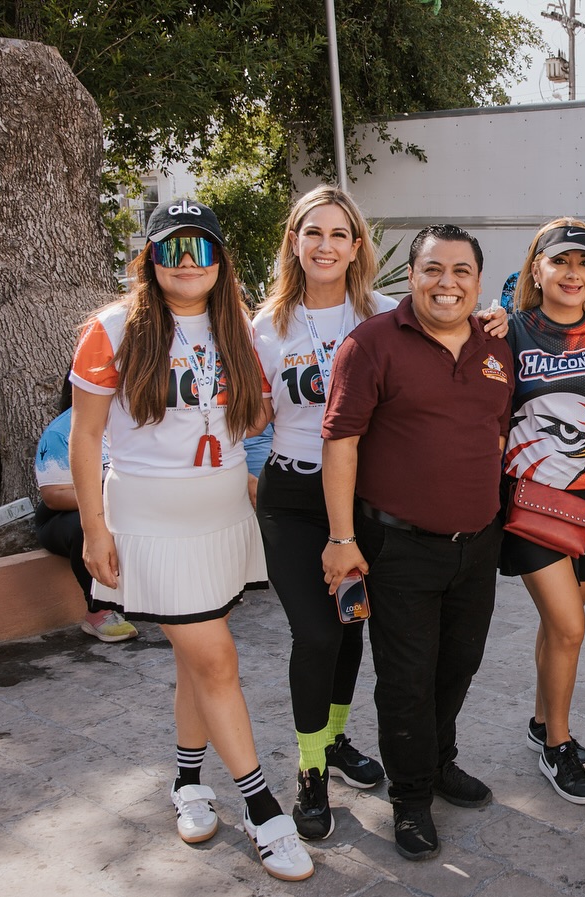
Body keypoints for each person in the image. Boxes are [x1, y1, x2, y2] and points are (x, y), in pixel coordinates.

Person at [70, 200, 313, 881]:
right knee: (217, 659)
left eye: (200, 248)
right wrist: (93, 526)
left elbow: (257, 411)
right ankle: (262, 809)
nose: (186, 262)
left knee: (197, 662)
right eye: (171, 248)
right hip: (151, 523)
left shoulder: (237, 327)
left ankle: (187, 782)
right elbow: (86, 437)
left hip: (223, 518)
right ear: (149, 258)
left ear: (219, 260)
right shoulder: (111, 329)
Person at [320, 224, 514, 861]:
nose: (446, 283)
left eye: (461, 271)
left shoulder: (496, 347)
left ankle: (437, 761)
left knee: (459, 664)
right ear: (411, 276)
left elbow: (496, 433)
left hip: (477, 544)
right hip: (398, 547)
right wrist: (342, 537)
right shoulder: (371, 343)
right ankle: (409, 798)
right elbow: (340, 442)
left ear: (478, 282)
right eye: (433, 269)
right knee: (407, 680)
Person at [252, 185, 394, 841]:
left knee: (348, 625)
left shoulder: (386, 316)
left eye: (339, 234)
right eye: (313, 232)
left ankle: (333, 741)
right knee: (315, 633)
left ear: (356, 246)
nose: (326, 245)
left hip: (363, 498)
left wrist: (498, 320)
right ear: (294, 241)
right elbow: (249, 415)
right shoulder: (265, 327)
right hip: (291, 496)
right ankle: (310, 771)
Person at [501, 219, 585, 805]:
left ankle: (540, 720)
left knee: (559, 626)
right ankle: (558, 744)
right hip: (531, 505)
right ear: (537, 268)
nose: (573, 274)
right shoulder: (508, 332)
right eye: (561, 262)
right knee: (571, 627)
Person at [33, 376, 139, 643]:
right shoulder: (62, 430)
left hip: (127, 509)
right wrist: (109, 498)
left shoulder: (137, 419)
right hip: (64, 517)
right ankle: (99, 612)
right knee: (86, 527)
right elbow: (54, 496)